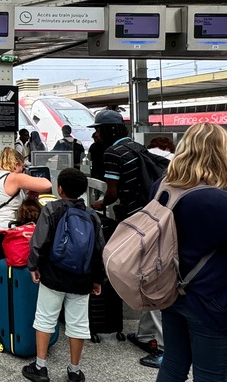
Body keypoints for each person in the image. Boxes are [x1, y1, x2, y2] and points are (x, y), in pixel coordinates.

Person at [88, 109, 164, 368]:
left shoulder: (112, 153)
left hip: (136, 220)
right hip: (153, 215)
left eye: (98, 130)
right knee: (145, 273)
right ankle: (144, 334)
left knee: (147, 277)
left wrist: (98, 204)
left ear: (108, 131)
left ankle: (163, 346)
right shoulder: (136, 147)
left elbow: (112, 192)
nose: (95, 134)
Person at [153, 122, 227, 381]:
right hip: (210, 299)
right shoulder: (218, 201)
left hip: (170, 291)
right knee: (211, 375)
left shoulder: (162, 188)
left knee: (173, 363)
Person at [22, 168, 105, 382]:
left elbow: (38, 242)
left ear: (60, 189)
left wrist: (33, 266)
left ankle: (40, 367)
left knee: (45, 318)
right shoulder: (92, 215)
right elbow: (99, 250)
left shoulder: (51, 209)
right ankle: (74, 371)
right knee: (78, 323)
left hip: (53, 275)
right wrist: (97, 279)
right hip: (82, 278)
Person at [0, 147, 52, 334]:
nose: (22, 170)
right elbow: (45, 184)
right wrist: (29, 178)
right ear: (16, 164)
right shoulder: (13, 176)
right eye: (22, 166)